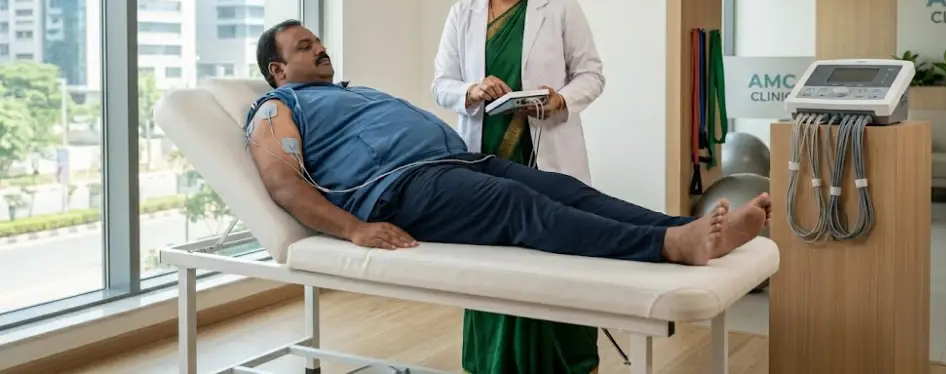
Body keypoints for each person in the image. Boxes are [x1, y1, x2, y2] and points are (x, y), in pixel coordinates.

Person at [243, 20, 771, 363]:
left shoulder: (350, 92)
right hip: (401, 188)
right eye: (304, 47)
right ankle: (669, 248)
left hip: (456, 162)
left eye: (318, 40)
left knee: (566, 189)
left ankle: (686, 228)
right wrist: (355, 230)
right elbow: (282, 183)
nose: (320, 47)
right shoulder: (277, 108)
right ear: (278, 69)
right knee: (520, 208)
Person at [431, 0, 607, 374]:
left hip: (545, 150)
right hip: (485, 151)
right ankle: (493, 360)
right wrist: (469, 91)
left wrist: (559, 99)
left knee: (558, 251)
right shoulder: (461, 14)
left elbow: (592, 74)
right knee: (491, 260)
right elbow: (441, 83)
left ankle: (566, 359)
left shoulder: (560, 6)